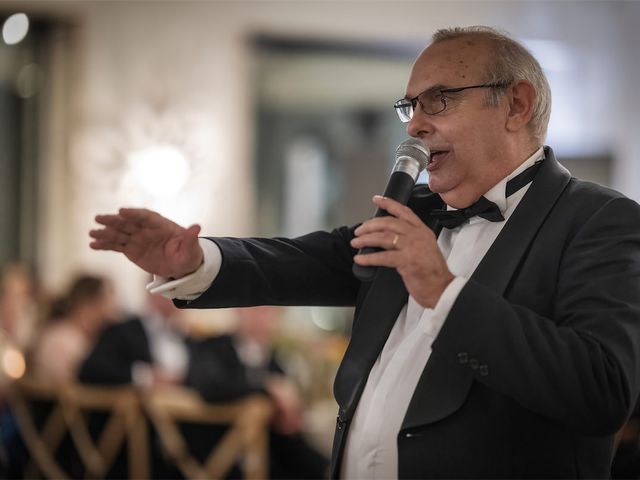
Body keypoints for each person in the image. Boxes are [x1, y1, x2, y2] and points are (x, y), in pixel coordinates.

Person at [88, 26, 640, 478]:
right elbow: (308, 260)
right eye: (411, 106)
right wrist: (195, 260)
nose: (418, 124)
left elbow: (603, 390)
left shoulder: (600, 220)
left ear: (516, 104)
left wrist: (445, 293)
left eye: (440, 100)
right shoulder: (417, 210)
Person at [186, 306, 329, 479]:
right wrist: (266, 388)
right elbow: (210, 387)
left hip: (274, 454)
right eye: (259, 311)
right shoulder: (213, 346)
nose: (265, 318)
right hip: (222, 455)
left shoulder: (272, 358)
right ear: (239, 311)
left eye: (270, 312)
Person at [31, 274, 116, 383]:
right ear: (87, 304)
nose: (110, 313)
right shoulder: (60, 340)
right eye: (105, 304)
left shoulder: (91, 340)